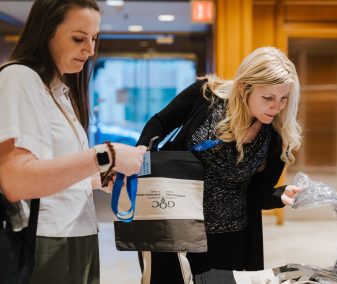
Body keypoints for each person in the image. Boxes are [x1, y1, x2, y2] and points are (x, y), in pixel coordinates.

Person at [0, 0, 146, 283]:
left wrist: (99, 178)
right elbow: (16, 181)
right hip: (44, 241)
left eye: (94, 38)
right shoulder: (19, 78)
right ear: (46, 32)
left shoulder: (58, 91)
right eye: (79, 38)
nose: (90, 50)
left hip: (76, 236)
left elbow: (55, 177)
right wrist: (106, 155)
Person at [136, 46, 303, 283]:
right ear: (244, 88)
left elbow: (258, 196)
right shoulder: (205, 95)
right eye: (268, 98)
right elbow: (160, 122)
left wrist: (282, 194)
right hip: (176, 225)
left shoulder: (275, 135)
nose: (277, 107)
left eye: (284, 98)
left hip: (231, 236)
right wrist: (141, 152)